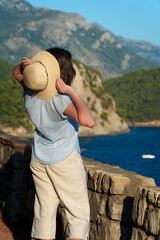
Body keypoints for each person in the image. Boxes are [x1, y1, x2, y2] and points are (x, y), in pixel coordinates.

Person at [12, 47, 94, 240]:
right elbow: (88, 120)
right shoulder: (61, 100)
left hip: (39, 159)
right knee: (78, 214)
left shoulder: (29, 92)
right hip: (64, 160)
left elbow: (16, 72)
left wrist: (26, 68)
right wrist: (72, 92)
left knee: (44, 212)